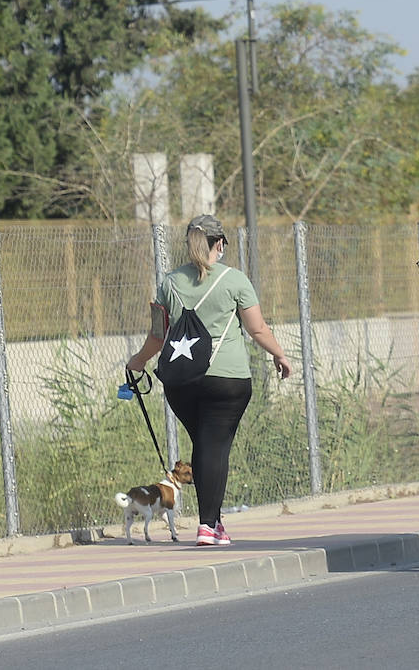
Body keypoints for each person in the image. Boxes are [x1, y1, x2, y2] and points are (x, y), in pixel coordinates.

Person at [123, 214, 292, 546]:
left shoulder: (169, 283)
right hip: (227, 380)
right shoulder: (235, 280)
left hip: (181, 383)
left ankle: (213, 523)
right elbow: (257, 329)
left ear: (188, 244)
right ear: (221, 244)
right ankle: (208, 526)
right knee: (214, 446)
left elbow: (158, 336)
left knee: (205, 444)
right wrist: (279, 355)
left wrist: (138, 362)